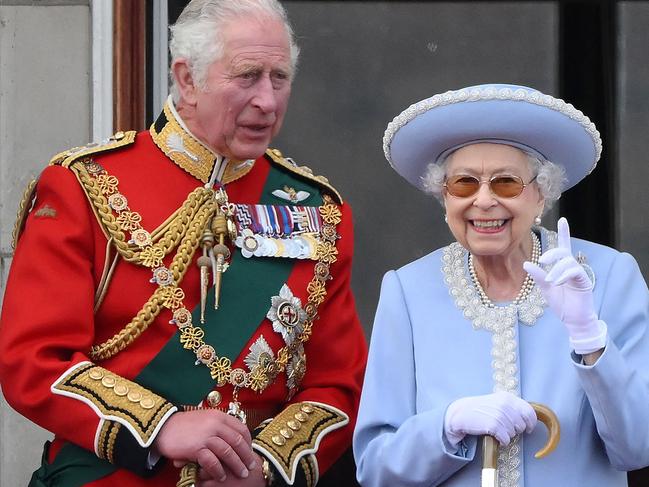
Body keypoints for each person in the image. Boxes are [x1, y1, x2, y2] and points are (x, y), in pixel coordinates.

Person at [0, 1, 367, 486]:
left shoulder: (318, 210)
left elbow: (339, 384)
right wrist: (160, 427)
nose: (268, 101)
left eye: (279, 78)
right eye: (247, 76)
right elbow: (35, 359)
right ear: (187, 78)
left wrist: (266, 467)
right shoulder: (85, 185)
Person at [353, 83, 649, 486]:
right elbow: (375, 468)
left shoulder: (610, 276)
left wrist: (589, 337)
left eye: (506, 183)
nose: (484, 201)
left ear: (541, 195)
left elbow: (638, 447)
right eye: (464, 184)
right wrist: (447, 425)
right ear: (445, 198)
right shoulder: (407, 291)